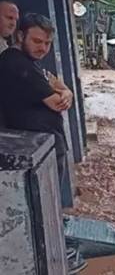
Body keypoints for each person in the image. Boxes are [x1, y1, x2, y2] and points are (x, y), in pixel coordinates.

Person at [0, 13, 73, 182]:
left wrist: (66, 91)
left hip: (40, 143)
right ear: (20, 36)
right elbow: (58, 103)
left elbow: (58, 86)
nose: (43, 49)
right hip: (35, 146)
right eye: (37, 41)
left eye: (47, 43)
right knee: (50, 200)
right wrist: (65, 93)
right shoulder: (18, 64)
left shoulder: (27, 61)